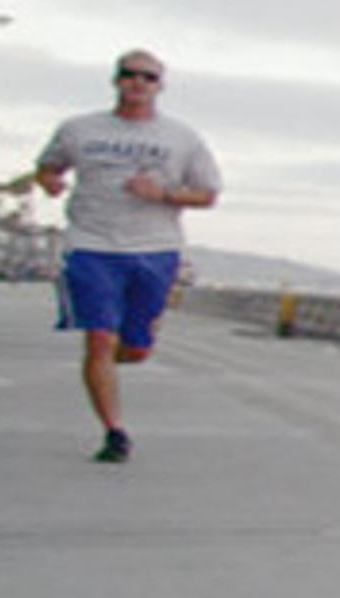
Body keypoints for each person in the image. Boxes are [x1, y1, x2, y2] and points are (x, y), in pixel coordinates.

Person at [33, 50, 221, 464]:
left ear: (160, 86)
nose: (138, 82)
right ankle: (114, 432)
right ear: (115, 79)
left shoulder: (181, 138)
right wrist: (50, 183)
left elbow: (208, 193)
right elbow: (48, 167)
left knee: (135, 350)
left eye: (148, 77)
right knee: (99, 338)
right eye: (129, 75)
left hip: (155, 249)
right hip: (91, 245)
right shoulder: (78, 129)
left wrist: (164, 194)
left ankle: (116, 357)